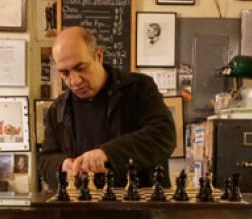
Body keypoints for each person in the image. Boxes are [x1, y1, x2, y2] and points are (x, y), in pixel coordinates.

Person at [37, 26, 175, 189]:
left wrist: (108, 153)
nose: (74, 81)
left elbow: (163, 135)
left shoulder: (139, 88)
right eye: (65, 73)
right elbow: (45, 159)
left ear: (99, 56)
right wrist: (61, 165)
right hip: (82, 209)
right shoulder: (57, 109)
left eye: (81, 68)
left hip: (139, 207)